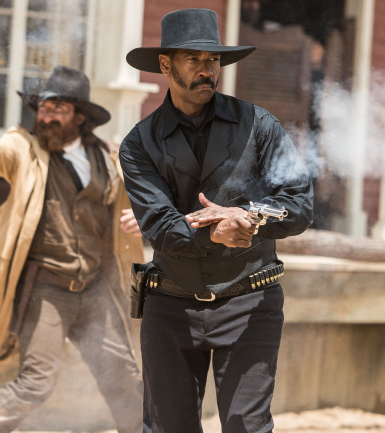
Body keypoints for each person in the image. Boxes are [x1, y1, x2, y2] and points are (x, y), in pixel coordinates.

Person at [119, 8, 314, 433]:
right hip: (170, 306)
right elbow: (162, 227)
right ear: (166, 64)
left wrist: (251, 217)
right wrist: (221, 231)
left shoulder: (260, 125)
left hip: (250, 302)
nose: (208, 70)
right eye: (195, 59)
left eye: (214, 60)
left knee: (248, 427)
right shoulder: (137, 144)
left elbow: (299, 203)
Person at [0, 65, 143, 433]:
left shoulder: (110, 159)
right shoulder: (25, 148)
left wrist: (144, 219)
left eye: (57, 109)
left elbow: (146, 199)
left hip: (97, 289)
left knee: (124, 378)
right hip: (47, 289)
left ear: (79, 116)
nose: (46, 116)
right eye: (43, 108)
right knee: (35, 384)